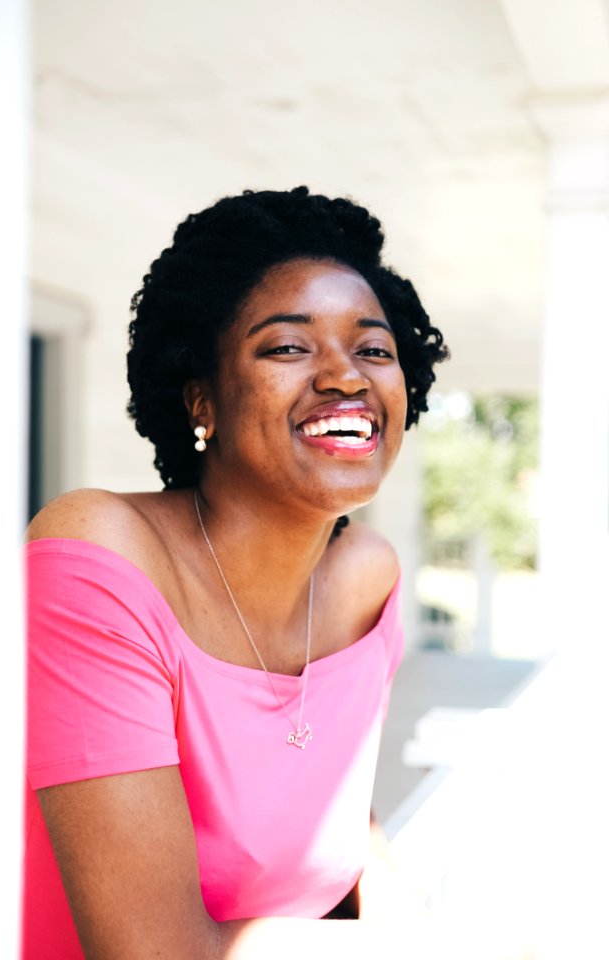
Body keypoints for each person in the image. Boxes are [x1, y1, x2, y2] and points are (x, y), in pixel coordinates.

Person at [23, 186, 448, 959]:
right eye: (288, 347)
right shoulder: (100, 557)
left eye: (375, 349)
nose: (346, 377)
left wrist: (417, 929)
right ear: (202, 401)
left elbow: (339, 811)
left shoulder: (365, 580)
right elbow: (149, 950)